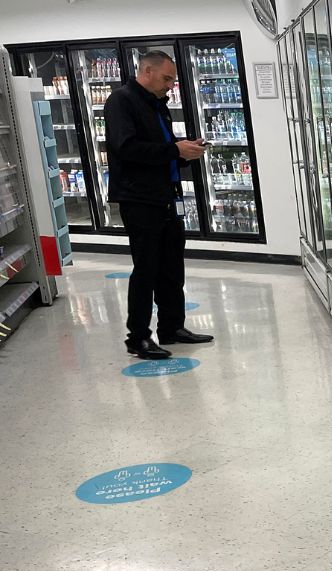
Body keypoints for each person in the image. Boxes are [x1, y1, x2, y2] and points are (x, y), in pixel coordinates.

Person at [105, 51, 212, 360]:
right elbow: (127, 148)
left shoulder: (157, 104)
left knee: (171, 266)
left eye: (173, 80)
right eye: (166, 79)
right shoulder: (121, 101)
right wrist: (172, 150)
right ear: (147, 71)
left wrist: (184, 152)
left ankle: (172, 327)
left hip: (167, 196)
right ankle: (137, 337)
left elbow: (162, 149)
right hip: (140, 199)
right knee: (146, 268)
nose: (170, 85)